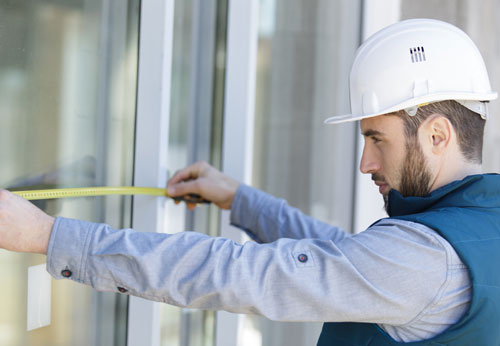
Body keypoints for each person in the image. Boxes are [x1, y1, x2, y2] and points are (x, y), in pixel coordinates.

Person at [0, 18, 499, 345]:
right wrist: (239, 199)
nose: (365, 162)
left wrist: (49, 237)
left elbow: (240, 272)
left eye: (377, 139)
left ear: (437, 134)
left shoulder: (421, 260)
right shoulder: (476, 229)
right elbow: (341, 256)